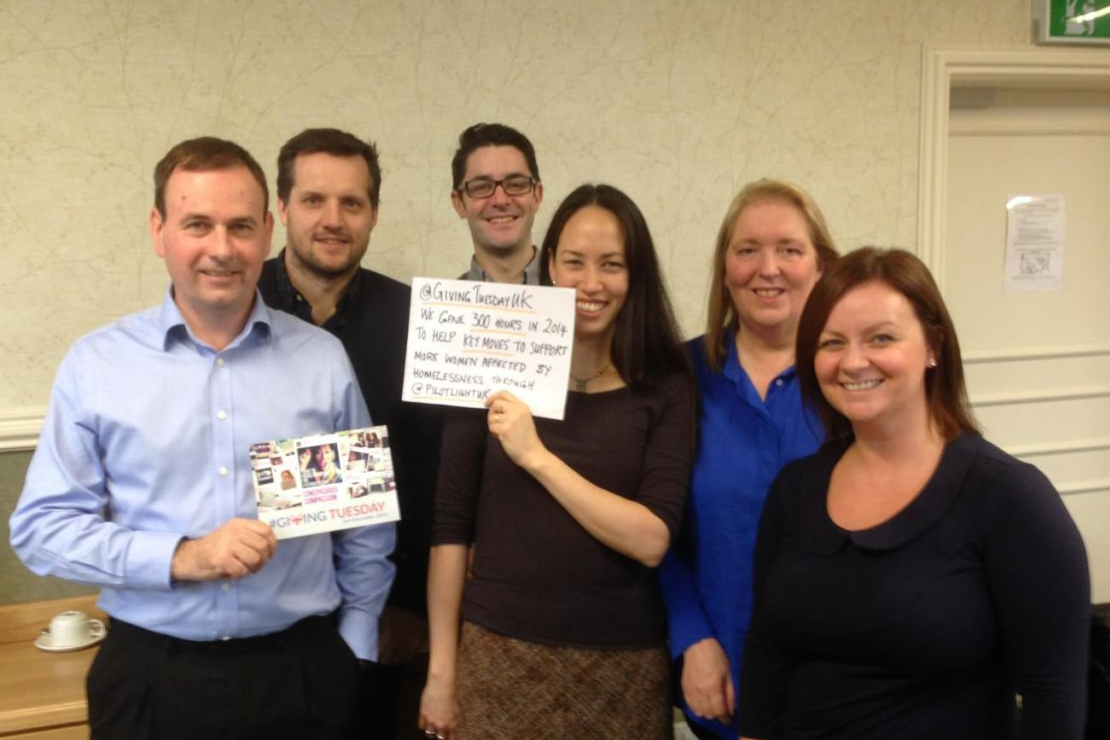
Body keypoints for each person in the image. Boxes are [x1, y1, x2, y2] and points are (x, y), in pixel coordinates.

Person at [9, 137, 395, 739]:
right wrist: (183, 557)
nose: (222, 249)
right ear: (159, 229)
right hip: (151, 681)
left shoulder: (321, 361)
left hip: (304, 676)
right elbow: (42, 529)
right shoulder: (98, 366)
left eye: (240, 226)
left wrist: (356, 641)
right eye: (197, 224)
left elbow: (363, 524)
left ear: (268, 230)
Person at [738, 248, 1091, 739]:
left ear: (933, 347)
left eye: (880, 338)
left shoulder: (1010, 499)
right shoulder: (795, 488)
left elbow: (1053, 698)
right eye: (832, 342)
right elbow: (767, 650)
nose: (853, 361)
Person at [419, 184, 694, 740]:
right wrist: (441, 673)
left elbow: (651, 538)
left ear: (635, 274)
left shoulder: (667, 386)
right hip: (496, 656)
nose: (591, 283)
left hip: (624, 668)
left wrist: (536, 456)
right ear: (550, 264)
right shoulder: (490, 363)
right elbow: (450, 531)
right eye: (574, 262)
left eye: (612, 265)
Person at [258, 127, 442, 740]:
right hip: (260, 615)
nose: (333, 220)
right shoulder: (231, 302)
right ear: (281, 209)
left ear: (374, 214)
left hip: (384, 616)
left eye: (352, 203)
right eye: (313, 200)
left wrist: (413, 605)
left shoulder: (417, 321)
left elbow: (432, 475)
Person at [659, 179, 839, 739]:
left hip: (839, 684)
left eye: (789, 249)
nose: (769, 268)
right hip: (722, 677)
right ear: (724, 267)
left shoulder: (852, 384)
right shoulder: (678, 378)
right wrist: (691, 638)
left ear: (820, 265)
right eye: (747, 250)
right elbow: (652, 528)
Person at [451, 122, 544, 284]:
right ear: (459, 203)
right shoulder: (441, 306)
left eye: (515, 184)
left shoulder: (578, 296)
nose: (500, 200)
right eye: (481, 187)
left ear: (537, 194)